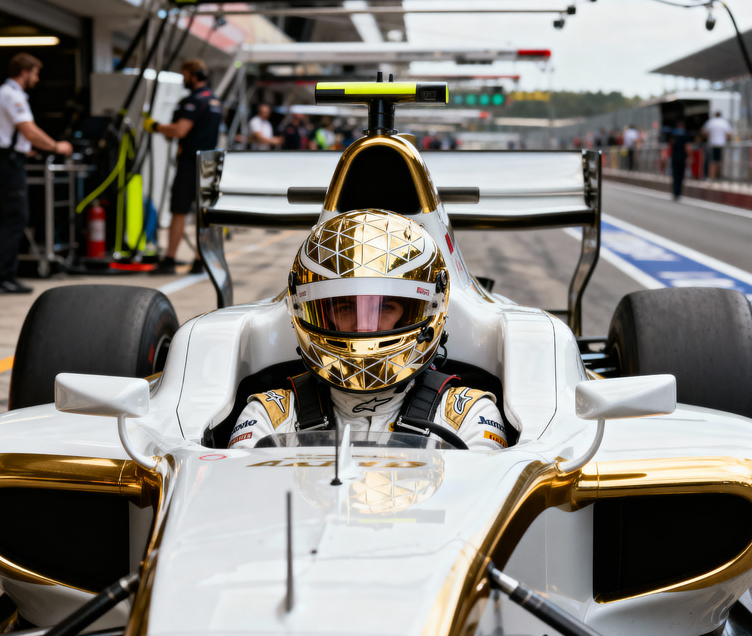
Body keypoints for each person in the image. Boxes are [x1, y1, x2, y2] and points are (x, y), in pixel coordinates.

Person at [227, 209, 510, 451]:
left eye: (384, 307)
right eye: (345, 308)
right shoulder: (267, 416)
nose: (363, 327)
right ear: (309, 312)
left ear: (428, 309)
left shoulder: (470, 416)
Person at [0, 53, 72, 295]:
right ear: (24, 72)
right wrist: (55, 146)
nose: (37, 79)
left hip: (4, 159)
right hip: (8, 164)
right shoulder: (12, 95)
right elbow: (29, 131)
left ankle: (3, 275)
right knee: (16, 217)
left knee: (5, 217)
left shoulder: (1, 93)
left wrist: (22, 150)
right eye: (35, 73)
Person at [144, 58, 223, 275]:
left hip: (190, 162)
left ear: (193, 74)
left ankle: (169, 259)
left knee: (178, 210)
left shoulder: (193, 100)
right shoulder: (214, 100)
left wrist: (156, 126)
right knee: (203, 213)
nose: (183, 79)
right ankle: (201, 261)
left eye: (184, 74)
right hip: (210, 162)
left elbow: (180, 130)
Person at [701, 111, 732, 180]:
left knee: (711, 161)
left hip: (712, 143)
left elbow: (703, 131)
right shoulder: (724, 122)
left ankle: (711, 177)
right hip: (721, 144)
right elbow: (728, 134)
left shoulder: (711, 121)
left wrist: (707, 137)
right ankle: (716, 177)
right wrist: (728, 141)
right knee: (718, 161)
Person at [668, 120, 692, 201]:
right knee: (681, 175)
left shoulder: (673, 133)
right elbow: (688, 146)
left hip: (674, 157)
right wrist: (690, 156)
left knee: (675, 175)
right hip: (682, 157)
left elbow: (670, 143)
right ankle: (678, 193)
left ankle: (675, 192)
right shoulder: (685, 133)